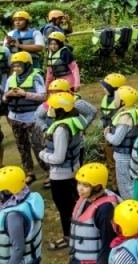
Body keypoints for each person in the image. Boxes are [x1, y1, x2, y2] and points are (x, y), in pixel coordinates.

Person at [38, 91, 87, 252]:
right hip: (73, 169)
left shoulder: (60, 129)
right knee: (73, 204)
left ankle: (68, 237)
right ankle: (78, 231)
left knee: (65, 207)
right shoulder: (75, 120)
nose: (49, 109)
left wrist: (43, 154)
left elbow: (58, 158)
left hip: (61, 175)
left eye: (52, 106)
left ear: (60, 109)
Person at [34, 79, 97, 189]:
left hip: (74, 141)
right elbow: (37, 116)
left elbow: (92, 111)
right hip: (57, 139)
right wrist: (45, 129)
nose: (53, 95)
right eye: (51, 92)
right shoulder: (48, 105)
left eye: (57, 92)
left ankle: (79, 187)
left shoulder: (76, 102)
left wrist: (83, 126)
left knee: (75, 165)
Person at [2, 52, 48, 186]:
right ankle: (30, 172)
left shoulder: (36, 77)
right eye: (14, 66)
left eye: (19, 66)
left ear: (27, 65)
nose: (16, 68)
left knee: (37, 145)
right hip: (15, 118)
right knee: (22, 147)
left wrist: (25, 94)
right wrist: (8, 94)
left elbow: (43, 96)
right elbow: (4, 98)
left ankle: (49, 173)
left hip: (32, 118)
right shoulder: (11, 79)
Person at [69, 163, 120, 264]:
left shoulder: (104, 209)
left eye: (85, 185)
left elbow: (107, 242)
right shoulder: (86, 198)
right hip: (79, 257)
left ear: (97, 187)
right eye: (79, 183)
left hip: (94, 260)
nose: (80, 189)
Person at [0, 166, 45, 264]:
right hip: (34, 257)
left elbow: (18, 249)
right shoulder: (26, 197)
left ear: (8, 191)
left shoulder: (13, 215)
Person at [104, 86, 138, 200]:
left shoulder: (125, 117)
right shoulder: (135, 111)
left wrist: (107, 135)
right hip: (131, 155)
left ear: (123, 101)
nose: (115, 100)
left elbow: (116, 140)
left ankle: (131, 211)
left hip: (123, 157)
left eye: (117, 98)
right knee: (131, 184)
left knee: (125, 187)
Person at [100, 73, 128, 195]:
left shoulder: (123, 101)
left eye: (106, 86)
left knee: (118, 163)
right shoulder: (106, 98)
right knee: (111, 163)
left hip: (118, 137)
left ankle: (122, 188)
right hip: (108, 135)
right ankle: (116, 187)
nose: (103, 89)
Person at [0, 45, 11, 169]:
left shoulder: (5, 51)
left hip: (5, 91)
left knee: (11, 119)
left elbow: (11, 68)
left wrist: (8, 84)